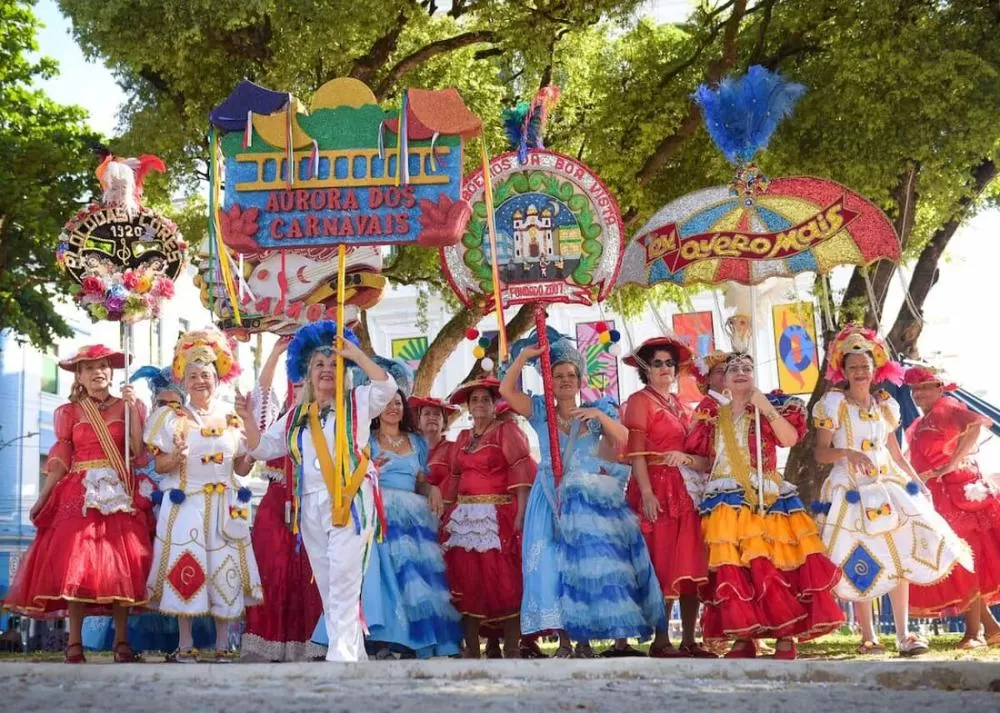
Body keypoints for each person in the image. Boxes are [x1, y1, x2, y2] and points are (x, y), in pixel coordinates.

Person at [503, 331, 666, 659]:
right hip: (548, 499)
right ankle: (564, 642)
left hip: (585, 505)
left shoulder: (595, 412)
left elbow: (627, 440)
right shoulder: (540, 412)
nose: (564, 381)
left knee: (583, 567)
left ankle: (584, 642)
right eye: (558, 375)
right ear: (549, 381)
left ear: (580, 380)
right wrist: (524, 357)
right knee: (552, 566)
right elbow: (507, 391)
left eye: (570, 375)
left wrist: (602, 418)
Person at [812, 325, 973, 656]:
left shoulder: (885, 404)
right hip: (851, 487)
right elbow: (820, 452)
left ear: (875, 369)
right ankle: (868, 636)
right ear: (843, 370)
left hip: (888, 485)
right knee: (860, 556)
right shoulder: (833, 404)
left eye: (865, 365)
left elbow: (896, 453)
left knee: (899, 553)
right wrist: (848, 453)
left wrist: (918, 484)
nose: (859, 372)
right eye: (853, 366)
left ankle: (904, 635)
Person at [242, 320, 396, 662]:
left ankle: (339, 656)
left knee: (343, 575)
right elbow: (263, 448)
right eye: (319, 365)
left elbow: (387, 387)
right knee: (329, 583)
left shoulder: (357, 402)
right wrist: (246, 419)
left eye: (333, 364)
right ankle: (355, 653)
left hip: (350, 501)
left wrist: (356, 354)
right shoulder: (297, 415)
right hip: (310, 506)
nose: (326, 370)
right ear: (307, 373)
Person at [686, 353, 843, 659]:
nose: (740, 372)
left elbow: (790, 438)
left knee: (772, 568)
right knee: (737, 572)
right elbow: (707, 460)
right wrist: (685, 460)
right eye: (733, 369)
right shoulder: (713, 417)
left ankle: (785, 638)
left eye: (747, 368)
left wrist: (766, 408)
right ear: (724, 379)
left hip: (765, 498)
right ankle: (745, 638)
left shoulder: (771, 407)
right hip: (724, 502)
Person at [4, 345, 151, 663]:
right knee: (77, 564)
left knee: (121, 564)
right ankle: (74, 643)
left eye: (103, 366)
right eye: (89, 368)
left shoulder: (130, 405)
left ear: (111, 372)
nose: (99, 372)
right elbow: (60, 460)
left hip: (118, 488)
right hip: (79, 492)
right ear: (79, 376)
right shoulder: (69, 412)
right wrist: (44, 496)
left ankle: (122, 642)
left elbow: (138, 451)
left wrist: (132, 410)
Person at [81, 365, 218, 655]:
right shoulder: (145, 422)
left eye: (175, 403)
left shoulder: (192, 424)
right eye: (163, 403)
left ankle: (180, 641)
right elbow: (138, 450)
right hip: (143, 493)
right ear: (155, 402)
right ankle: (131, 641)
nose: (169, 408)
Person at [145, 329, 262, 663]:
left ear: (217, 378)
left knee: (225, 569)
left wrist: (251, 453)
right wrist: (179, 455)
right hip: (187, 506)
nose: (200, 381)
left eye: (206, 375)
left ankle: (225, 643)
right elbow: (160, 464)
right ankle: (185, 644)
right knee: (188, 567)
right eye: (193, 375)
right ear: (183, 380)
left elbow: (240, 468)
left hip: (226, 507)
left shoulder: (233, 418)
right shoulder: (169, 419)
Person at [353, 360, 461, 658]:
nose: (393, 407)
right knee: (385, 577)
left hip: (413, 519)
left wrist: (433, 489)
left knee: (416, 581)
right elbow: (353, 476)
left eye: (398, 402)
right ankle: (384, 639)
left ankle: (416, 642)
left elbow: (421, 481)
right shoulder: (366, 439)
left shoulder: (417, 441)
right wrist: (368, 469)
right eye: (386, 401)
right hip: (378, 515)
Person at [621, 336, 714, 658]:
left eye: (670, 363)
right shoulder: (639, 401)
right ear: (646, 368)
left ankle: (690, 638)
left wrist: (687, 460)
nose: (665, 368)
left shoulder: (680, 404)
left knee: (690, 563)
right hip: (656, 489)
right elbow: (635, 453)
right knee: (661, 564)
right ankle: (660, 640)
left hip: (685, 491)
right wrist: (646, 492)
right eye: (658, 363)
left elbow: (698, 454)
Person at [240, 337, 326, 662]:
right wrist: (275, 354)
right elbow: (258, 414)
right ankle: (270, 643)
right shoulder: (283, 416)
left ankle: (313, 644)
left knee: (312, 571)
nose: (304, 381)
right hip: (278, 499)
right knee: (274, 569)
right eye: (300, 374)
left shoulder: (333, 413)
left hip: (313, 499)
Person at [904, 366, 1000, 648]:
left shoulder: (949, 406)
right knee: (956, 560)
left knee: (964, 558)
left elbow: (975, 425)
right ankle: (990, 629)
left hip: (958, 494)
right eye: (914, 389)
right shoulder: (922, 422)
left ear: (940, 388)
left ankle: (975, 634)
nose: (918, 394)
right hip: (937, 495)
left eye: (925, 387)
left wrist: (951, 464)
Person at [441, 376, 536, 658]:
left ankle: (512, 646)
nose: (480, 404)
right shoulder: (462, 438)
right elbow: (455, 478)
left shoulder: (506, 431)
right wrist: (447, 513)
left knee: (505, 579)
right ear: (468, 407)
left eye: (485, 399)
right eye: (475, 400)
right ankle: (472, 648)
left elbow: (521, 470)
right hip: (465, 519)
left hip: (499, 514)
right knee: (467, 579)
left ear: (495, 404)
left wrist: (520, 512)